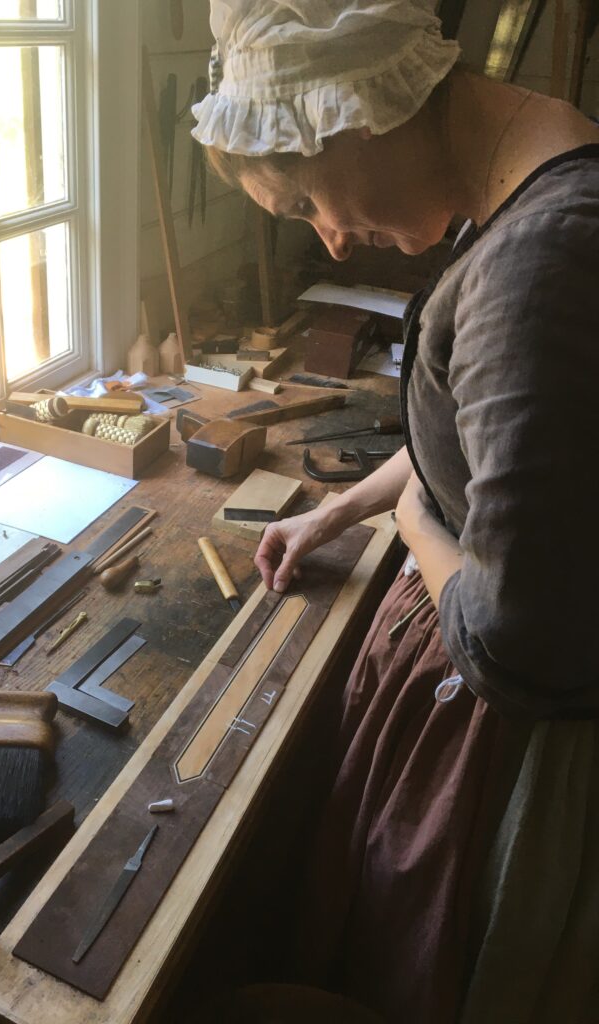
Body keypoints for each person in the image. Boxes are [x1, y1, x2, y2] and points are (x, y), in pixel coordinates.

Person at [191, 2, 599, 1022]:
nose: (331, 240)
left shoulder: (536, 264)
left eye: (307, 199)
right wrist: (338, 512)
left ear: (356, 115)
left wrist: (414, 526)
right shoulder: (543, 168)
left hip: (514, 746)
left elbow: (517, 643)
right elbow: (480, 451)